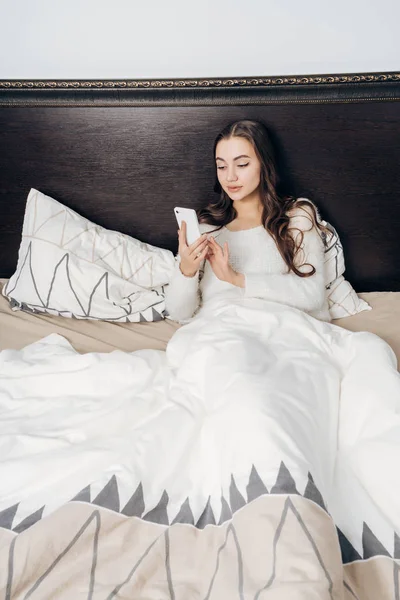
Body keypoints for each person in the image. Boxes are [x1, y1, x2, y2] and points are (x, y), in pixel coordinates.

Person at [164, 119, 331, 324]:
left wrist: (237, 279)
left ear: (264, 163)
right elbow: (179, 313)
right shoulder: (207, 227)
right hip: (218, 329)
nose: (230, 177)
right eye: (221, 166)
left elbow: (313, 295)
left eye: (242, 164)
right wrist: (186, 270)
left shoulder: (296, 216)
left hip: (276, 327)